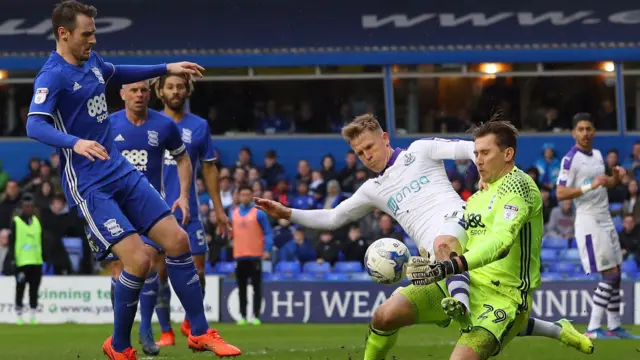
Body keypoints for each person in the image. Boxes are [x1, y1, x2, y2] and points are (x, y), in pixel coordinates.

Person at [254, 115, 587, 360]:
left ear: (384, 138)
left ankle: (461, 305)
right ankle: (554, 328)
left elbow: (472, 148)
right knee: (383, 316)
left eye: (369, 146)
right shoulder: (372, 189)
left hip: (461, 232)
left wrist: (486, 177)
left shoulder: (421, 150)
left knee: (444, 245)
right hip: (439, 264)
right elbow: (333, 217)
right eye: (359, 153)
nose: (367, 156)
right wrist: (287, 213)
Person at [24, 1, 240, 359]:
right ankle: (120, 346)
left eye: (94, 32)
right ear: (63, 34)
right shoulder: (52, 75)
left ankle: (200, 332)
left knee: (177, 239)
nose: (93, 39)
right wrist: (75, 142)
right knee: (138, 261)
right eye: (87, 33)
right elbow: (35, 124)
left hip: (119, 170)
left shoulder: (91, 62)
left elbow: (119, 70)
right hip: (90, 185)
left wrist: (167, 66)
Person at [405, 120, 594, 360]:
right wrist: (438, 257)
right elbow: (465, 242)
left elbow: (501, 242)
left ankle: (555, 329)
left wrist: (452, 265)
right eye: (476, 153)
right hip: (474, 283)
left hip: (508, 295)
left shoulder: (518, 185)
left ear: (508, 154)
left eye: (485, 153)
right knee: (387, 314)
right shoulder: (477, 196)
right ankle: (556, 329)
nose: (478, 160)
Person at [107, 79, 191, 355]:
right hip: (115, 208)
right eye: (133, 90)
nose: (140, 95)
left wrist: (183, 195)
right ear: (122, 95)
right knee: (121, 269)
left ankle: (146, 329)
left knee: (150, 264)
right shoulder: (108, 125)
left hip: (149, 208)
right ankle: (121, 333)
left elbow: (182, 158)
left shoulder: (163, 125)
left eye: (144, 90)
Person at [152, 73, 231, 345]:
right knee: (159, 273)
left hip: (190, 212)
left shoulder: (199, 126)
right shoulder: (149, 124)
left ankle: (190, 321)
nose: (175, 91)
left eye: (180, 86)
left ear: (188, 91)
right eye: (170, 86)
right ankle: (165, 331)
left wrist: (219, 210)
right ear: (160, 91)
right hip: (154, 212)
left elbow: (209, 168)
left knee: (198, 272)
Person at [556, 113, 640, 339]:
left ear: (594, 132)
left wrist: (614, 177)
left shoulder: (597, 155)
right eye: (581, 129)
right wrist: (589, 186)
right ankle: (593, 328)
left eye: (589, 129)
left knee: (617, 273)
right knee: (610, 275)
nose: (585, 133)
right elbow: (560, 192)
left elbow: (605, 184)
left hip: (605, 219)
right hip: (589, 220)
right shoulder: (570, 159)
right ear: (574, 132)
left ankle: (614, 327)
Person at [231, 185, 273, 325]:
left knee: (256, 288)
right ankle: (242, 316)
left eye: (248, 195)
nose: (245, 197)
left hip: (255, 255)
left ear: (252, 196)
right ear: (239, 196)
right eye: (242, 194)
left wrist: (267, 249)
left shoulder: (258, 213)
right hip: (239, 255)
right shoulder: (234, 213)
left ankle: (256, 316)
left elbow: (268, 232)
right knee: (241, 288)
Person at [6, 193, 43, 325]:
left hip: (36, 261)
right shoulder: (16, 222)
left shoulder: (37, 222)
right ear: (22, 207)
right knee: (20, 289)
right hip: (21, 262)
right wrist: (13, 260)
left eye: (30, 206)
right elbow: (11, 243)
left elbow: (41, 241)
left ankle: (33, 316)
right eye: (26, 206)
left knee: (34, 290)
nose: (28, 208)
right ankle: (19, 315)